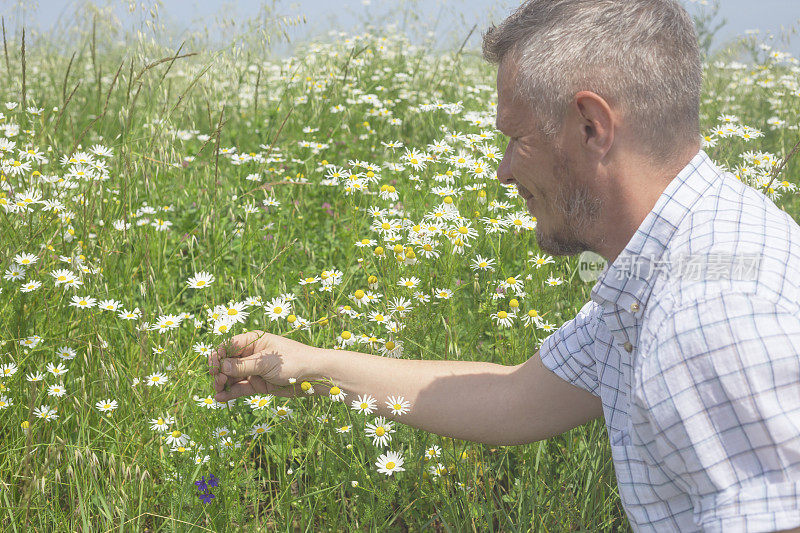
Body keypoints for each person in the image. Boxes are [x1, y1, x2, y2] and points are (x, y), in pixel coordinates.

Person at [209, 0, 800, 530]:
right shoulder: (670, 263)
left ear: (592, 127)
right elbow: (516, 396)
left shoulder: (709, 318)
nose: (503, 172)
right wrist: (310, 365)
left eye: (518, 139)